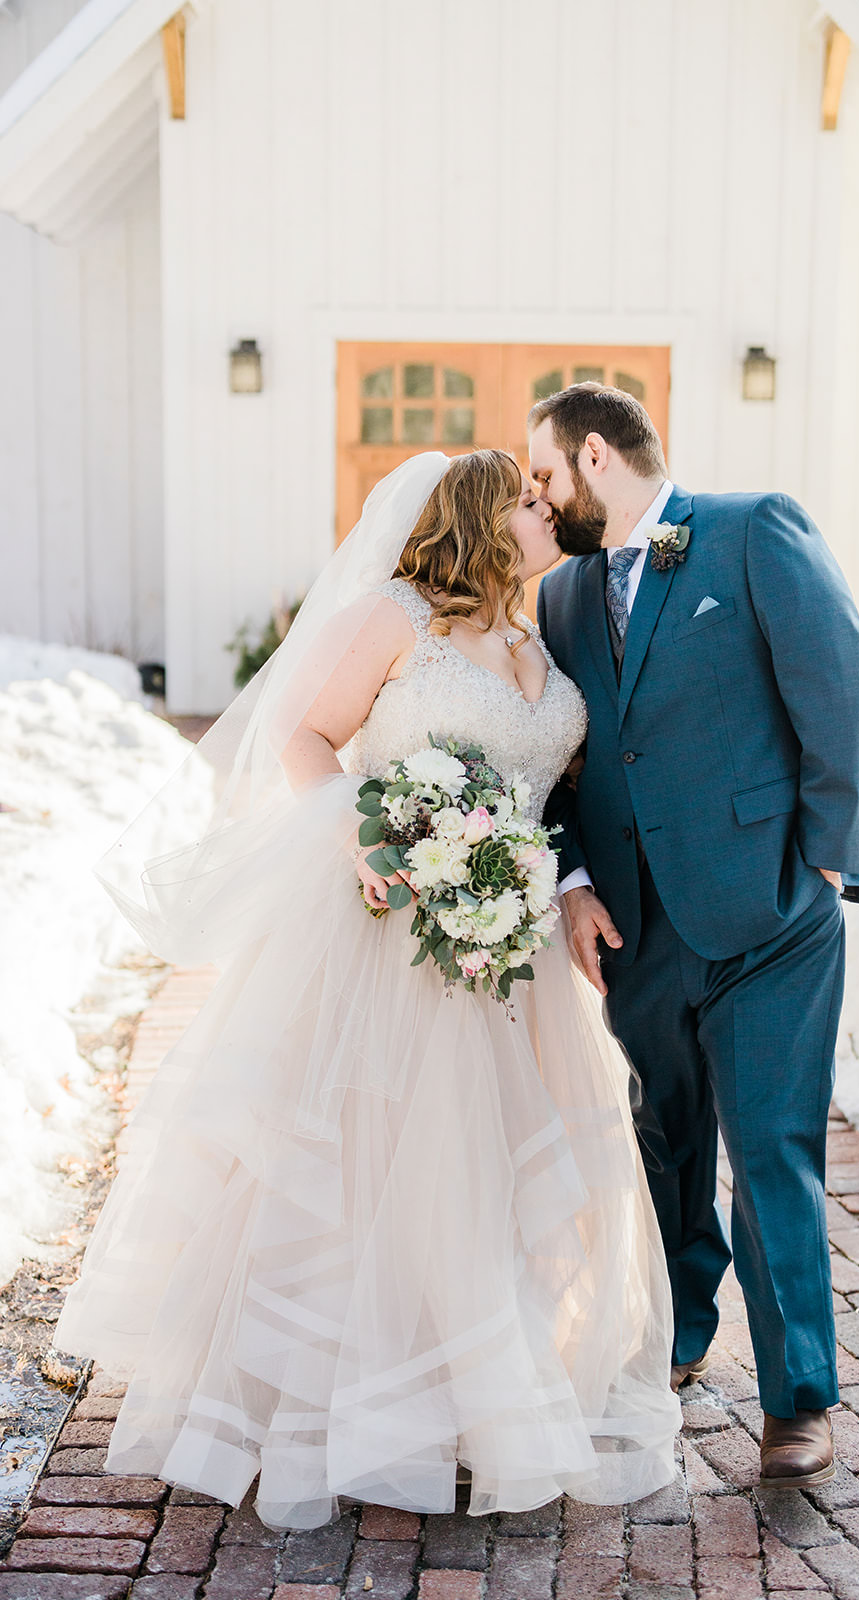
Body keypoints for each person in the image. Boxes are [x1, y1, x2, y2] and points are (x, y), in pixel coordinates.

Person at [53, 449, 681, 1531]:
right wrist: (376, 840)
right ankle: (356, 1409)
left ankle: (472, 1406)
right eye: (527, 501)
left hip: (512, 957)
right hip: (392, 938)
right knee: (385, 1166)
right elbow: (302, 735)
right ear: (481, 520)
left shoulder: (535, 635)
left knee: (488, 1176)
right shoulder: (395, 619)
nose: (546, 511)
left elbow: (555, 789)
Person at [531, 384, 859, 1490]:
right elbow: (552, 757)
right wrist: (575, 880)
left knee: (768, 1153)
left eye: (542, 474)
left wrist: (828, 856)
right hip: (635, 926)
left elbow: (836, 685)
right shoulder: (561, 600)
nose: (535, 498)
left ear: (594, 455)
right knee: (665, 1140)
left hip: (768, 915)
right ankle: (681, 1331)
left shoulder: (747, 530)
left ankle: (797, 1398)